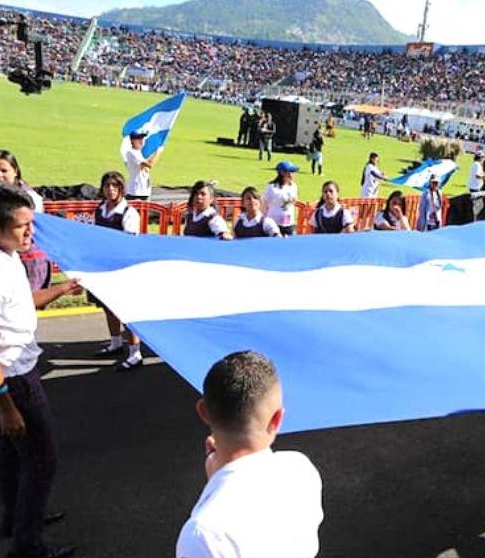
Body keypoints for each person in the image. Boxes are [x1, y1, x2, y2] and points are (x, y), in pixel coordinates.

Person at [0, 183, 81, 558]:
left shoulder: (5, 254)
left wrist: (60, 290)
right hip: (10, 380)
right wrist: (5, 406)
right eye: (22, 226)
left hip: (13, 373)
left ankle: (17, 517)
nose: (31, 232)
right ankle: (27, 544)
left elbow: (21, 302)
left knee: (13, 451)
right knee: (43, 458)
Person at [176, 351, 323, 558]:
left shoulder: (204, 534)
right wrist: (219, 478)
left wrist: (217, 482)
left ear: (203, 411)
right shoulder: (301, 469)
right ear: (277, 419)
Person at [90, 171, 145, 370]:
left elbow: (128, 243)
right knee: (108, 307)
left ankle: (135, 353)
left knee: (125, 310)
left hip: (120, 269)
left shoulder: (129, 213)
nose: (110, 190)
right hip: (102, 266)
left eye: (115, 186)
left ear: (121, 188)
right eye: (107, 186)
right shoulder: (100, 209)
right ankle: (115, 343)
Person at [0, 150, 51, 292]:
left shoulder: (29, 198)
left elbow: (30, 232)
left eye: (4, 170)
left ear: (15, 171)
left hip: (25, 259)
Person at [262, 161, 300, 236]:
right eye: (290, 172)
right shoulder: (272, 187)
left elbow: (294, 202)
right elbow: (263, 204)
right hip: (274, 224)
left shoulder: (294, 186)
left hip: (289, 223)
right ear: (282, 173)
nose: (292, 174)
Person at [122, 131, 159, 200]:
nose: (141, 141)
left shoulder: (138, 153)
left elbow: (144, 166)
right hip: (136, 191)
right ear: (132, 140)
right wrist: (158, 152)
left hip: (143, 190)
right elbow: (150, 165)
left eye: (142, 138)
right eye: (139, 139)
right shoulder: (131, 153)